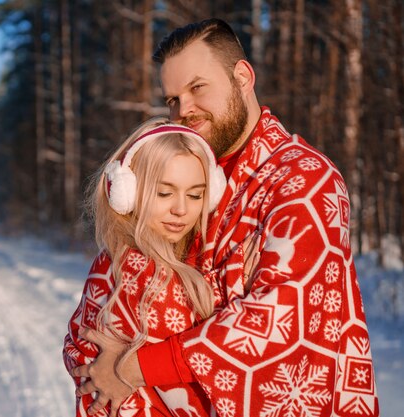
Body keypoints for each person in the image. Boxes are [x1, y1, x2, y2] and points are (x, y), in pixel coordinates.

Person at [71, 18, 379, 417]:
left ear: (243, 77)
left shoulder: (304, 180)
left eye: (197, 88)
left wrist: (135, 367)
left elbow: (277, 321)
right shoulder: (193, 175)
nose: (185, 110)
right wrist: (105, 360)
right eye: (172, 100)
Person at [63, 118, 237, 416]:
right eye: (164, 193)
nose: (181, 209)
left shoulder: (111, 260)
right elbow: (215, 367)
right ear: (127, 192)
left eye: (195, 195)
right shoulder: (143, 273)